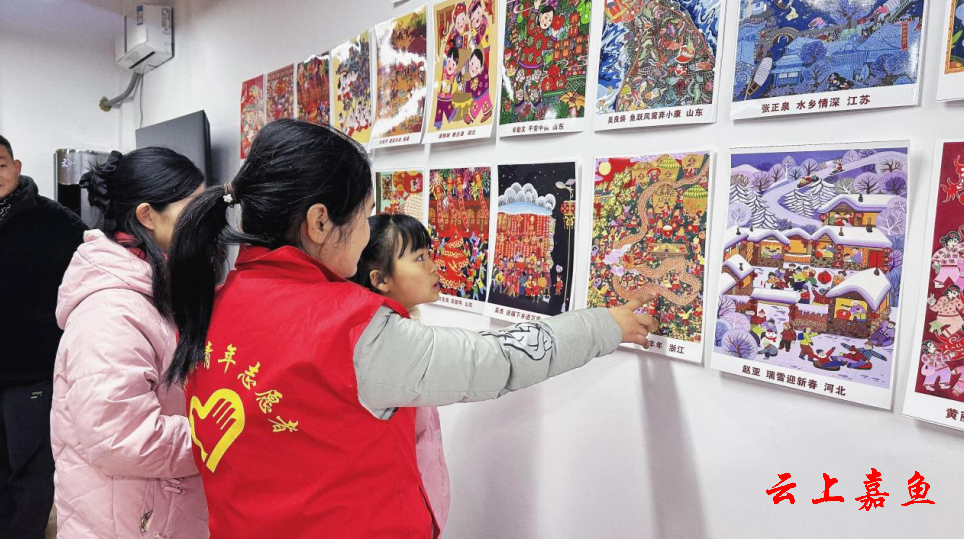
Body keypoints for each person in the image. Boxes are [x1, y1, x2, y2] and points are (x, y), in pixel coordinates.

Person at [163, 119, 656, 538]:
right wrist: (603, 324)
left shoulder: (211, 305)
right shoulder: (348, 328)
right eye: (364, 215)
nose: (366, 232)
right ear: (319, 223)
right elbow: (497, 361)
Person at [51, 148, 209, 538]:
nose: (206, 221)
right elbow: (119, 438)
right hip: (129, 523)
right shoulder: (111, 312)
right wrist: (220, 436)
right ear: (147, 215)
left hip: (153, 511)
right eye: (194, 208)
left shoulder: (156, 283)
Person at [0, 135, 86, 539]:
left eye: (0, 166)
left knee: (31, 470)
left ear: (16, 167)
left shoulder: (55, 222)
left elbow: (90, 274)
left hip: (32, 374)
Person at [350, 213, 451, 532]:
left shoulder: (407, 330)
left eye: (429, 254)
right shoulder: (378, 347)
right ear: (380, 279)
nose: (433, 267)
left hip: (417, 498)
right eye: (419, 258)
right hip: (390, 512)